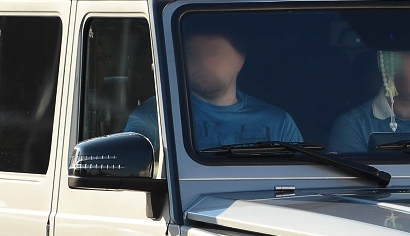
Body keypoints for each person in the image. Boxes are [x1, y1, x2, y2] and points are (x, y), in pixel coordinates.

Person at [125, 23, 302, 149]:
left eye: (214, 53)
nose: (203, 62)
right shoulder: (157, 115)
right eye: (192, 53)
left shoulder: (278, 122)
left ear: (239, 60)